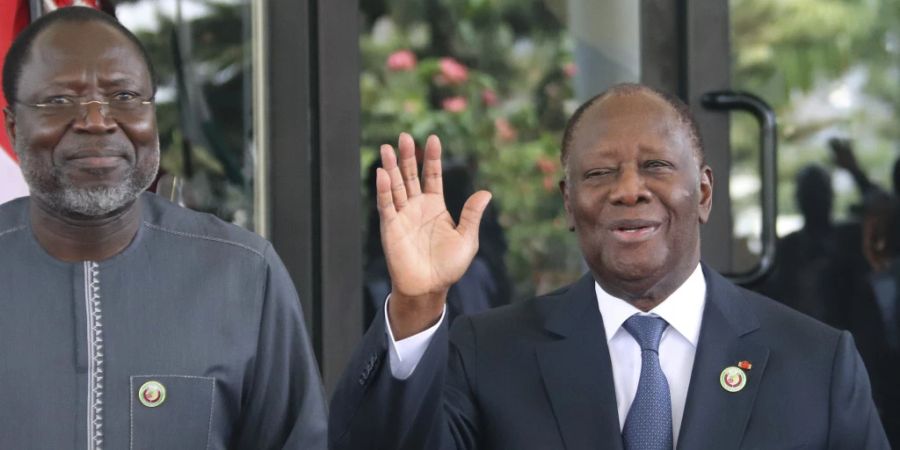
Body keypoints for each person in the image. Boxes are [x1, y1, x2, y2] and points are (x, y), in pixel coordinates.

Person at [329, 83, 889, 449]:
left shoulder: (817, 363)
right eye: (598, 174)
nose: (628, 191)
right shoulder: (485, 355)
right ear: (569, 203)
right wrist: (419, 305)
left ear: (704, 192)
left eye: (656, 166)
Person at [0, 7, 326, 449]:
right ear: (13, 125)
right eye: (59, 101)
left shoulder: (241, 272)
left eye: (125, 96)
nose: (97, 120)